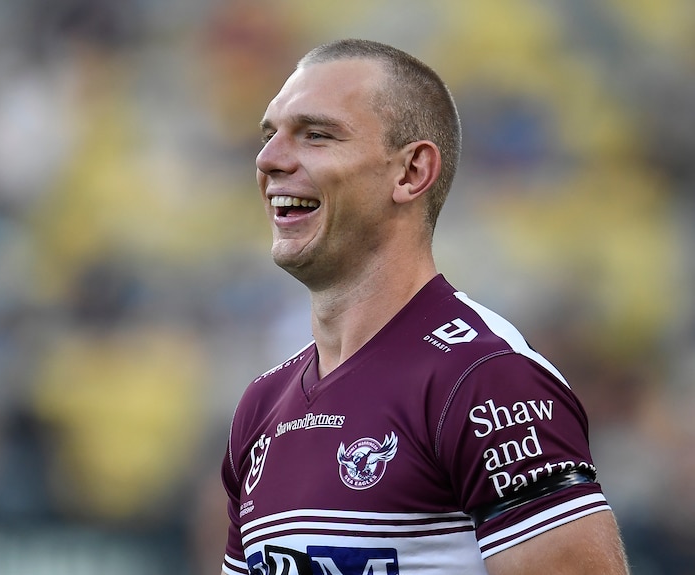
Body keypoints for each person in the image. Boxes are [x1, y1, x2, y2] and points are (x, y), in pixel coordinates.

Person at [217, 39, 630, 575]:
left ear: (411, 173)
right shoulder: (261, 406)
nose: (269, 160)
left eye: (316, 135)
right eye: (271, 135)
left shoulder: (486, 379)